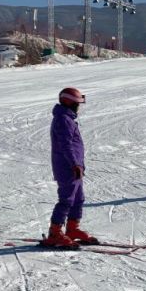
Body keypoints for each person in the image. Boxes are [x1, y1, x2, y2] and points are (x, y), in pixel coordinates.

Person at [41, 87, 99, 248]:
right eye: (77, 103)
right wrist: (74, 164)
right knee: (66, 200)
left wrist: (78, 164)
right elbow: (66, 145)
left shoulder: (67, 118)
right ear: (69, 103)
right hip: (67, 166)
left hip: (75, 166)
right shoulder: (63, 120)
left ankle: (72, 229)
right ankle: (55, 233)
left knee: (78, 199)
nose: (78, 107)